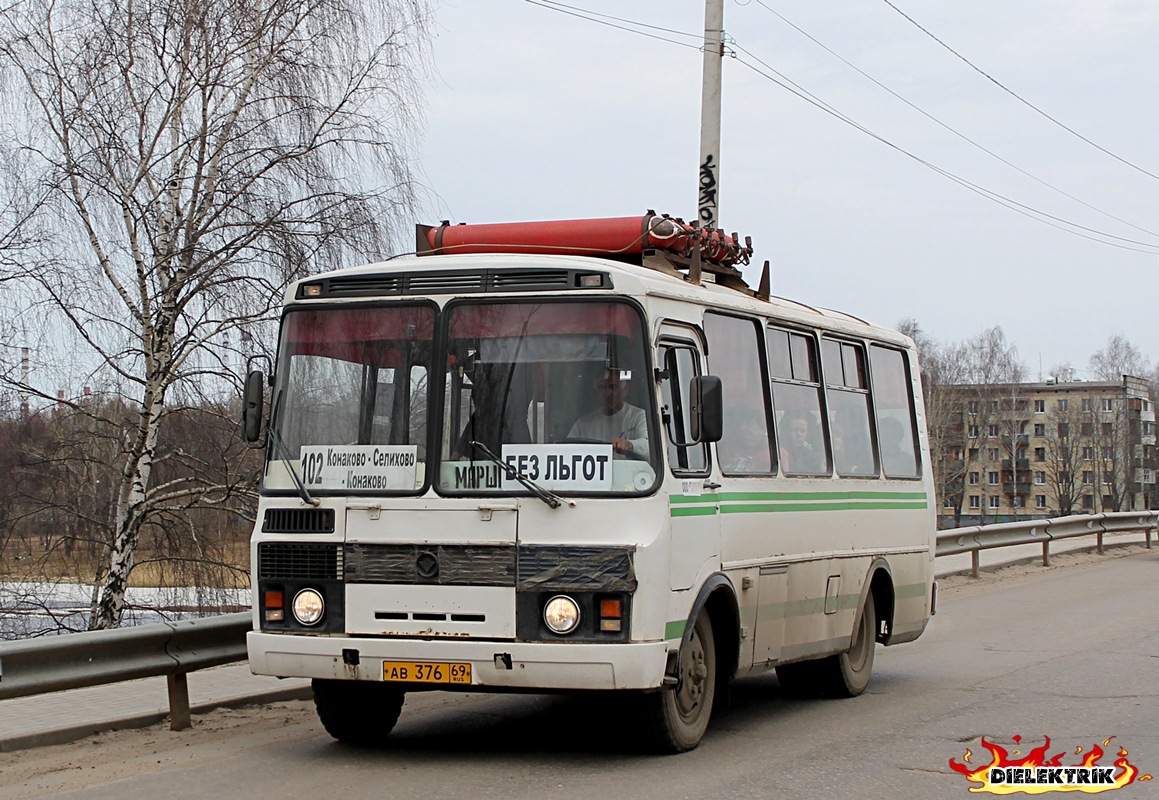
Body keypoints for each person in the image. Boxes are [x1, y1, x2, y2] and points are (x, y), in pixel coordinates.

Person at [567, 369, 648, 456]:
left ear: (625, 390)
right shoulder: (583, 424)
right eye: (602, 388)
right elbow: (567, 450)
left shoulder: (638, 416)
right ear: (595, 393)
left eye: (613, 387)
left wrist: (629, 444)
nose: (608, 393)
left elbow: (649, 446)